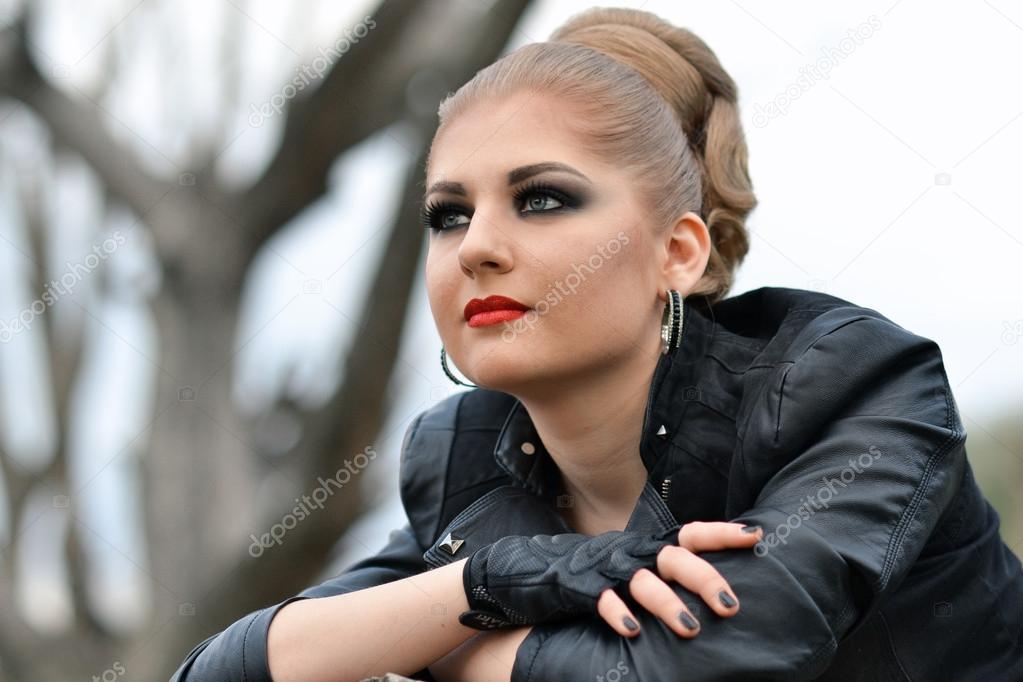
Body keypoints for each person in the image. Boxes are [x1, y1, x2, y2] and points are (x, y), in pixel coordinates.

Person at [169, 7, 1023, 681]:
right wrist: (493, 579)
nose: (475, 247)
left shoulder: (851, 385)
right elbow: (228, 670)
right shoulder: (460, 454)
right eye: (448, 213)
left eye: (541, 199)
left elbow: (702, 663)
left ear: (677, 252)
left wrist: (434, 644)